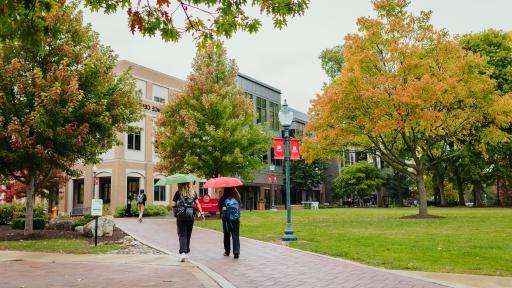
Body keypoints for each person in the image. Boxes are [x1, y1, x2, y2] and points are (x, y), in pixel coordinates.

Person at [173, 182, 205, 262]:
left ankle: (183, 252)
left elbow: (173, 204)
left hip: (180, 216)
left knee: (182, 234)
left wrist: (175, 213)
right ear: (188, 184)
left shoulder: (178, 193)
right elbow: (197, 204)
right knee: (188, 233)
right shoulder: (193, 193)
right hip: (190, 216)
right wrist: (201, 213)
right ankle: (186, 252)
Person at [218, 187, 241, 259]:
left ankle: (227, 251)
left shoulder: (224, 197)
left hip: (226, 219)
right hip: (235, 219)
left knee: (226, 234)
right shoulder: (236, 197)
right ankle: (236, 251)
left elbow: (219, 206)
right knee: (235, 235)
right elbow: (239, 205)